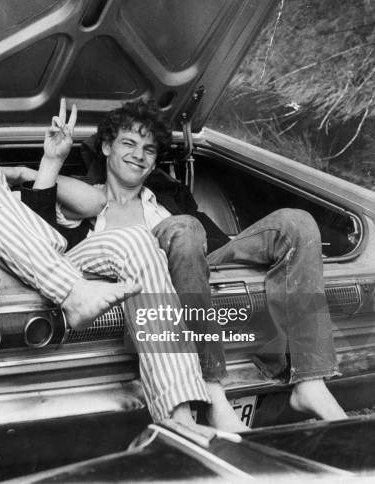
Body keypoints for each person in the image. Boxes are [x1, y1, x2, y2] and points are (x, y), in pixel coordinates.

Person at [37, 99, 347, 431]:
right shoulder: (82, 199)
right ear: (107, 146)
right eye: (128, 143)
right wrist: (51, 160)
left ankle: (310, 382)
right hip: (138, 290)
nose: (139, 155)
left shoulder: (169, 197)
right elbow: (38, 229)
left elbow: (213, 246)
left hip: (193, 269)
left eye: (149, 149)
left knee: (296, 223)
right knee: (184, 227)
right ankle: (211, 387)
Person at [0, 105, 212, 429]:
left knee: (136, 239)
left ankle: (179, 417)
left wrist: (38, 166)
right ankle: (74, 292)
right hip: (44, 285)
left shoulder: (2, 195)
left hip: (54, 267)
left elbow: (94, 203)